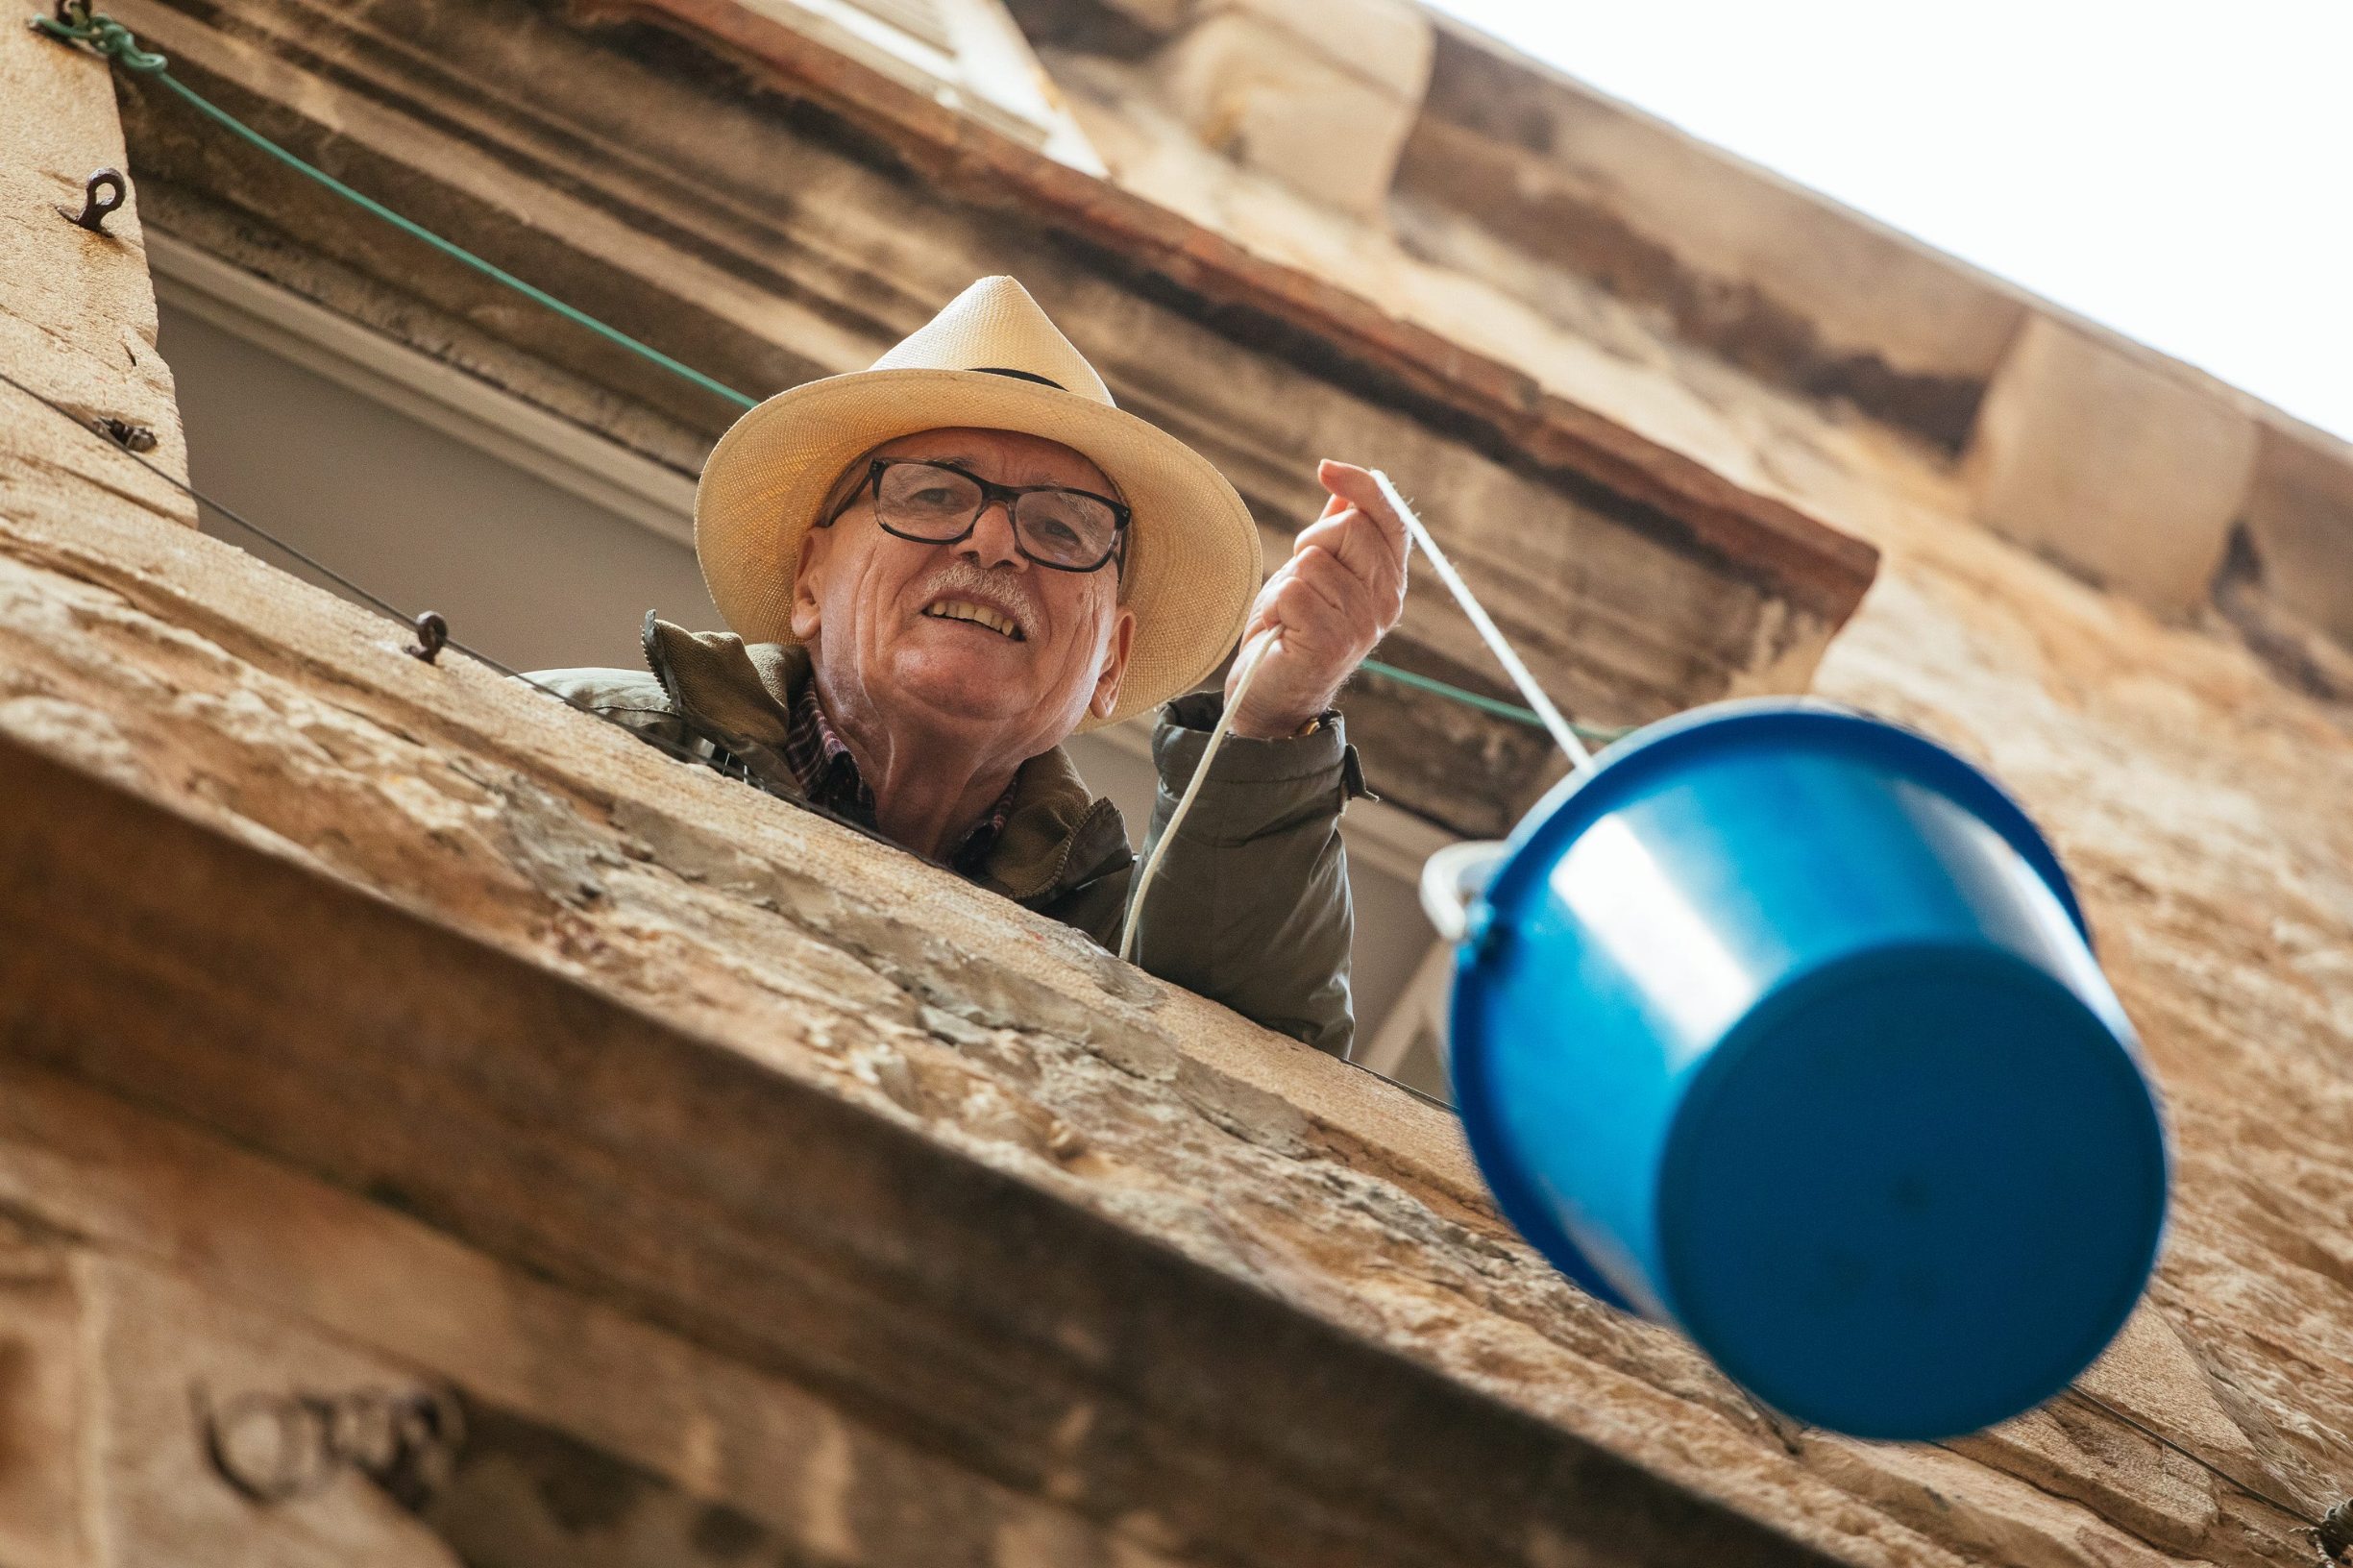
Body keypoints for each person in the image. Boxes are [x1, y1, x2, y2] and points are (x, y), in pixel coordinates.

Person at [531, 277, 1408, 1057]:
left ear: (1111, 661)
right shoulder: (571, 736)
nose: (992, 541)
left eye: (1063, 528)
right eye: (932, 495)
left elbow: (1265, 1081)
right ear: (809, 580)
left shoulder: (1131, 945)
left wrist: (1265, 726)